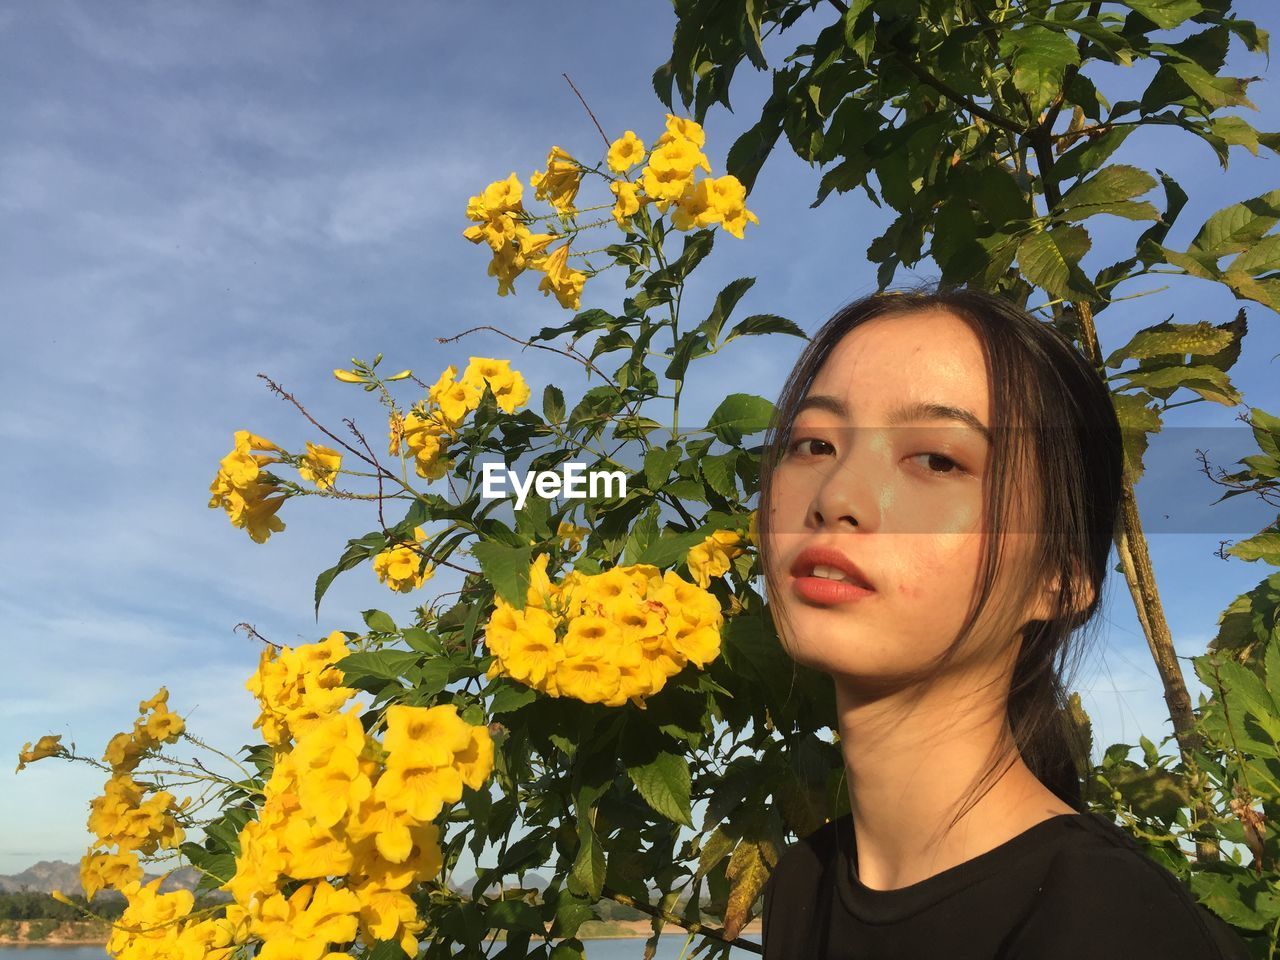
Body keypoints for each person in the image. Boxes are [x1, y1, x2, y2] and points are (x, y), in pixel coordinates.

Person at [754, 286, 1251, 959]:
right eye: (813, 444)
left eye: (936, 459)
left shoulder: (1117, 930)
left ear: (1061, 576)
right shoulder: (801, 885)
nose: (834, 496)